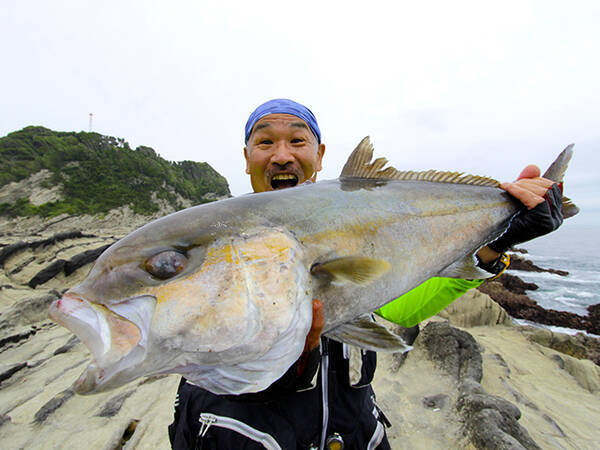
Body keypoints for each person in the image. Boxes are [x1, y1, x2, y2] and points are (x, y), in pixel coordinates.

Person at [168, 99, 564, 449]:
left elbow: (397, 312)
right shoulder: (214, 244)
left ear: (320, 155)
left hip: (355, 431)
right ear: (247, 155)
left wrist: (496, 246)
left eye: (298, 141)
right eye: (266, 142)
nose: (282, 155)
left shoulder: (359, 221)